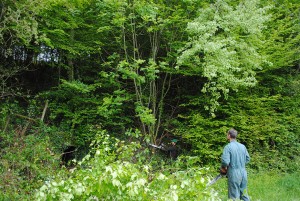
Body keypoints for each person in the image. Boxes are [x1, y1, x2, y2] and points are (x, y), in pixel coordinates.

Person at [221, 128, 250, 201]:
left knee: (234, 196)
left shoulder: (228, 147)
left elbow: (225, 162)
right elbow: (247, 159)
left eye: (227, 134)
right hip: (243, 173)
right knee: (244, 195)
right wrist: (240, 164)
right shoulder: (243, 146)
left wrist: (224, 169)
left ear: (229, 135)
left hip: (234, 173)